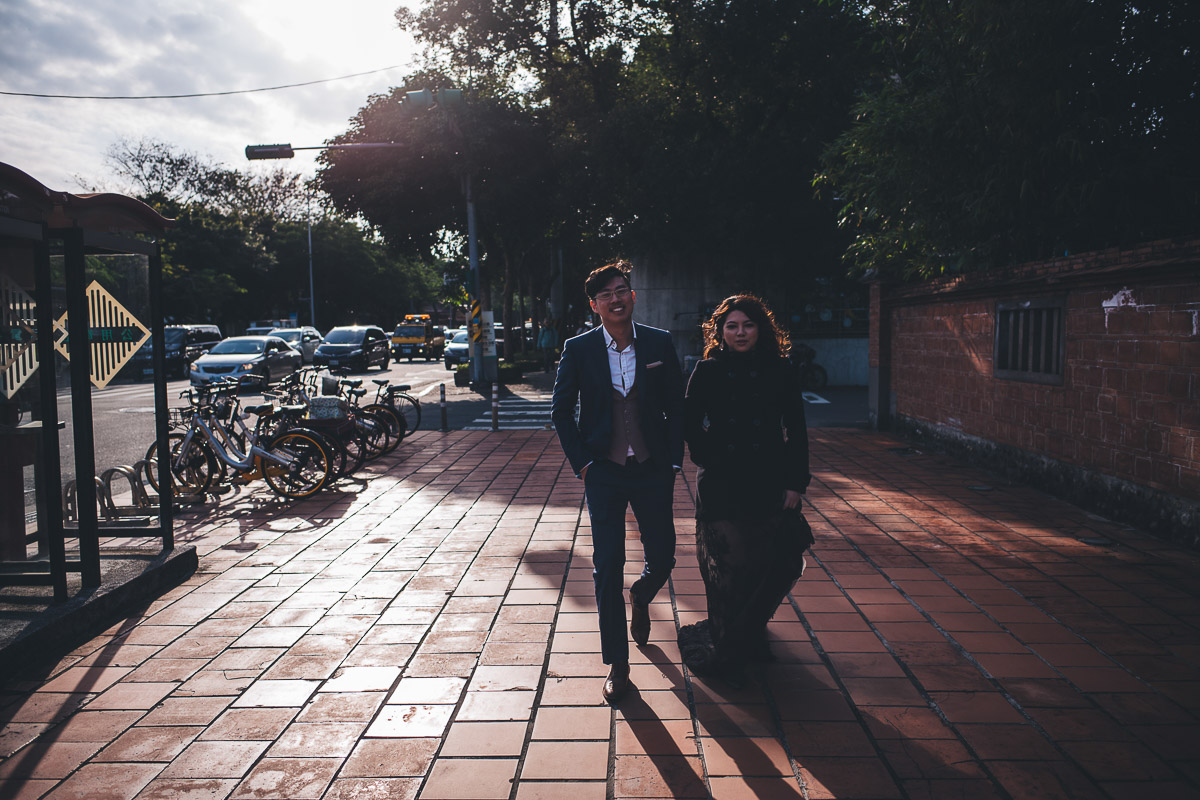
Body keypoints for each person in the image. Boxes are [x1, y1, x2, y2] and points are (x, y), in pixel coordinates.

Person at [551, 261, 686, 704]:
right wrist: (584, 465)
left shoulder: (659, 343)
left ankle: (642, 595)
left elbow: (675, 406)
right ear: (595, 305)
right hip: (603, 472)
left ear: (633, 296)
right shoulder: (579, 348)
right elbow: (561, 410)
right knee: (607, 566)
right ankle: (618, 665)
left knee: (662, 557)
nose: (616, 298)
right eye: (606, 293)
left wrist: (670, 461)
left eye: (622, 289)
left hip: (651, 469)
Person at [680, 294, 813, 685]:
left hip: (769, 479)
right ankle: (728, 641)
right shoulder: (707, 369)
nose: (740, 333)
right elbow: (689, 422)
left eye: (748, 325)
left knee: (777, 562)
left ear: (761, 329)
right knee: (730, 567)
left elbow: (797, 430)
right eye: (732, 326)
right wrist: (708, 455)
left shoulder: (780, 370)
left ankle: (749, 631)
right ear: (720, 331)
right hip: (722, 481)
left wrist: (795, 483)